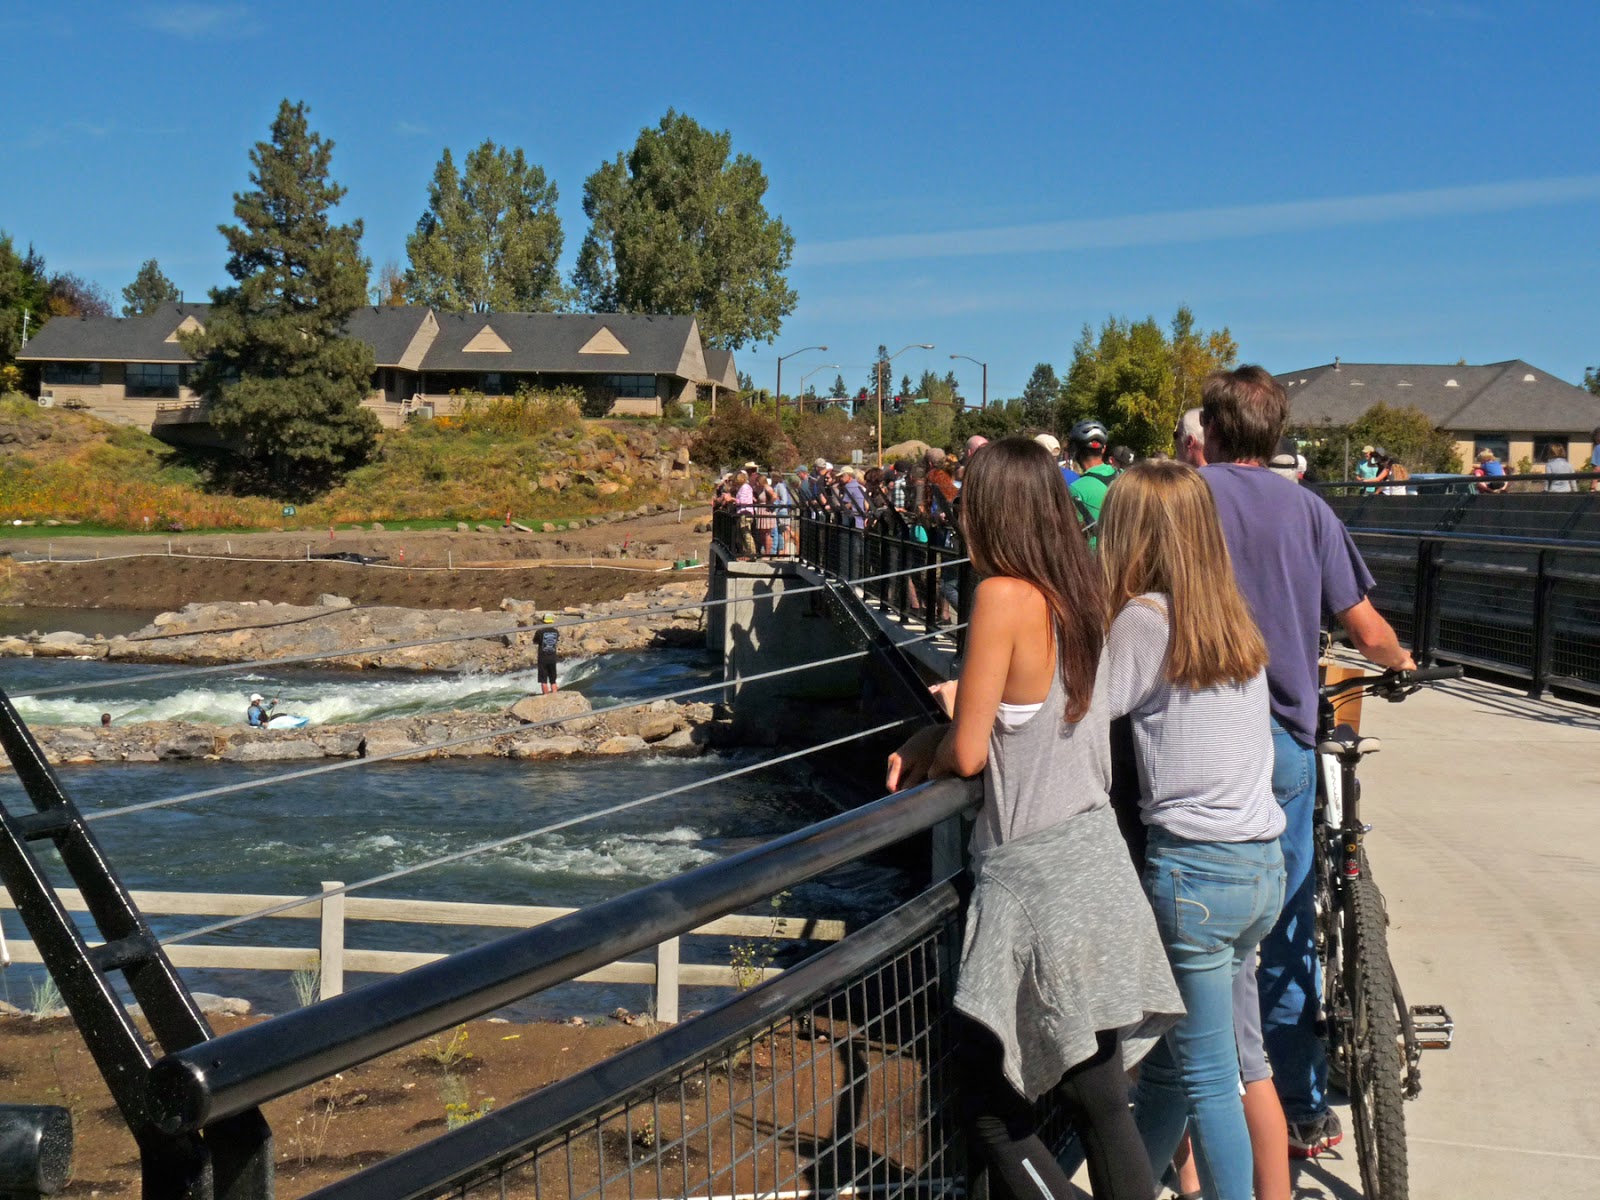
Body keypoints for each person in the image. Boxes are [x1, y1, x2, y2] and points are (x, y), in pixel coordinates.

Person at [886, 437, 1182, 1200]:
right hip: (1095, 859)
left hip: (1036, 882)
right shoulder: (1076, 592)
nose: (957, 522)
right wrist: (945, 733)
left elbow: (972, 753)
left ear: (990, 511)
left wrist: (931, 739)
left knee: (987, 1111)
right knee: (1099, 1100)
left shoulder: (1003, 596)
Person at [1200, 365, 1414, 1159]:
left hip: (1192, 744)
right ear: (1278, 434)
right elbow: (1363, 626)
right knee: (1286, 923)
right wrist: (1402, 662)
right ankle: (1295, 1102)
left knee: (1195, 923)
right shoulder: (1310, 510)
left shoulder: (1188, 503)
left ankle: (1201, 1096)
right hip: (1283, 737)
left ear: (1213, 432)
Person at [1099, 460, 1287, 1200]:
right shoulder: (1230, 619)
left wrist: (976, 696)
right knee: (1178, 1069)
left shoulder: (1143, 620)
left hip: (1196, 876)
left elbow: (1081, 713)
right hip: (1259, 868)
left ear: (1131, 535)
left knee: (1212, 1081)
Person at [1068, 420, 1118, 528]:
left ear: (1075, 449)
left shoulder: (1076, 489)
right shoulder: (1126, 477)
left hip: (1093, 545)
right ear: (1103, 449)